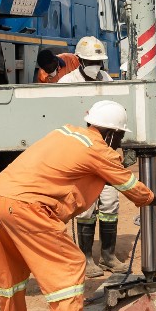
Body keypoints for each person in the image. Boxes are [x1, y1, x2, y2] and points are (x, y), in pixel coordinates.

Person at [0, 101, 156, 311]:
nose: (120, 142)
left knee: (12, 275)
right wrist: (153, 199)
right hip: (27, 207)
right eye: (120, 137)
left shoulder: (65, 133)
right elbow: (129, 186)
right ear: (113, 133)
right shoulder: (98, 151)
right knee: (68, 268)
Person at [58, 37, 126, 275]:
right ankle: (86, 258)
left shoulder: (107, 80)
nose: (95, 65)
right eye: (90, 61)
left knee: (110, 203)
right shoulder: (67, 82)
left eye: (98, 61)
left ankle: (108, 256)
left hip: (105, 153)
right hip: (80, 154)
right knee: (86, 207)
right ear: (80, 60)